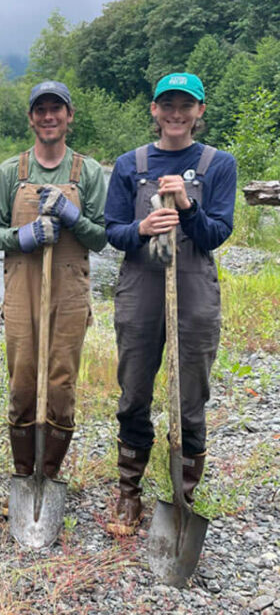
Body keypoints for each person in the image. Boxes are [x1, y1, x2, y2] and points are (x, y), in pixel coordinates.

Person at [104, 72, 236, 535]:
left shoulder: (219, 164)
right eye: (168, 105)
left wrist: (187, 208)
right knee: (134, 390)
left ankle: (183, 495)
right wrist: (140, 229)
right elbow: (112, 230)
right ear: (154, 110)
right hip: (141, 286)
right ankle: (128, 491)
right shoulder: (129, 164)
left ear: (200, 111)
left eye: (186, 105)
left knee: (191, 395)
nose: (176, 114)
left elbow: (218, 232)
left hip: (195, 286)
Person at [0, 81, 107, 480]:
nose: (48, 116)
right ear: (31, 118)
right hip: (21, 291)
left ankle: (48, 475)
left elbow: (103, 237)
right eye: (41, 110)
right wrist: (23, 237)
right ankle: (23, 474)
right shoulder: (10, 172)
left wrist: (74, 218)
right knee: (21, 383)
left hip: (69, 293)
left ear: (70, 116)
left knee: (60, 385)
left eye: (57, 109)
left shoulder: (86, 171)